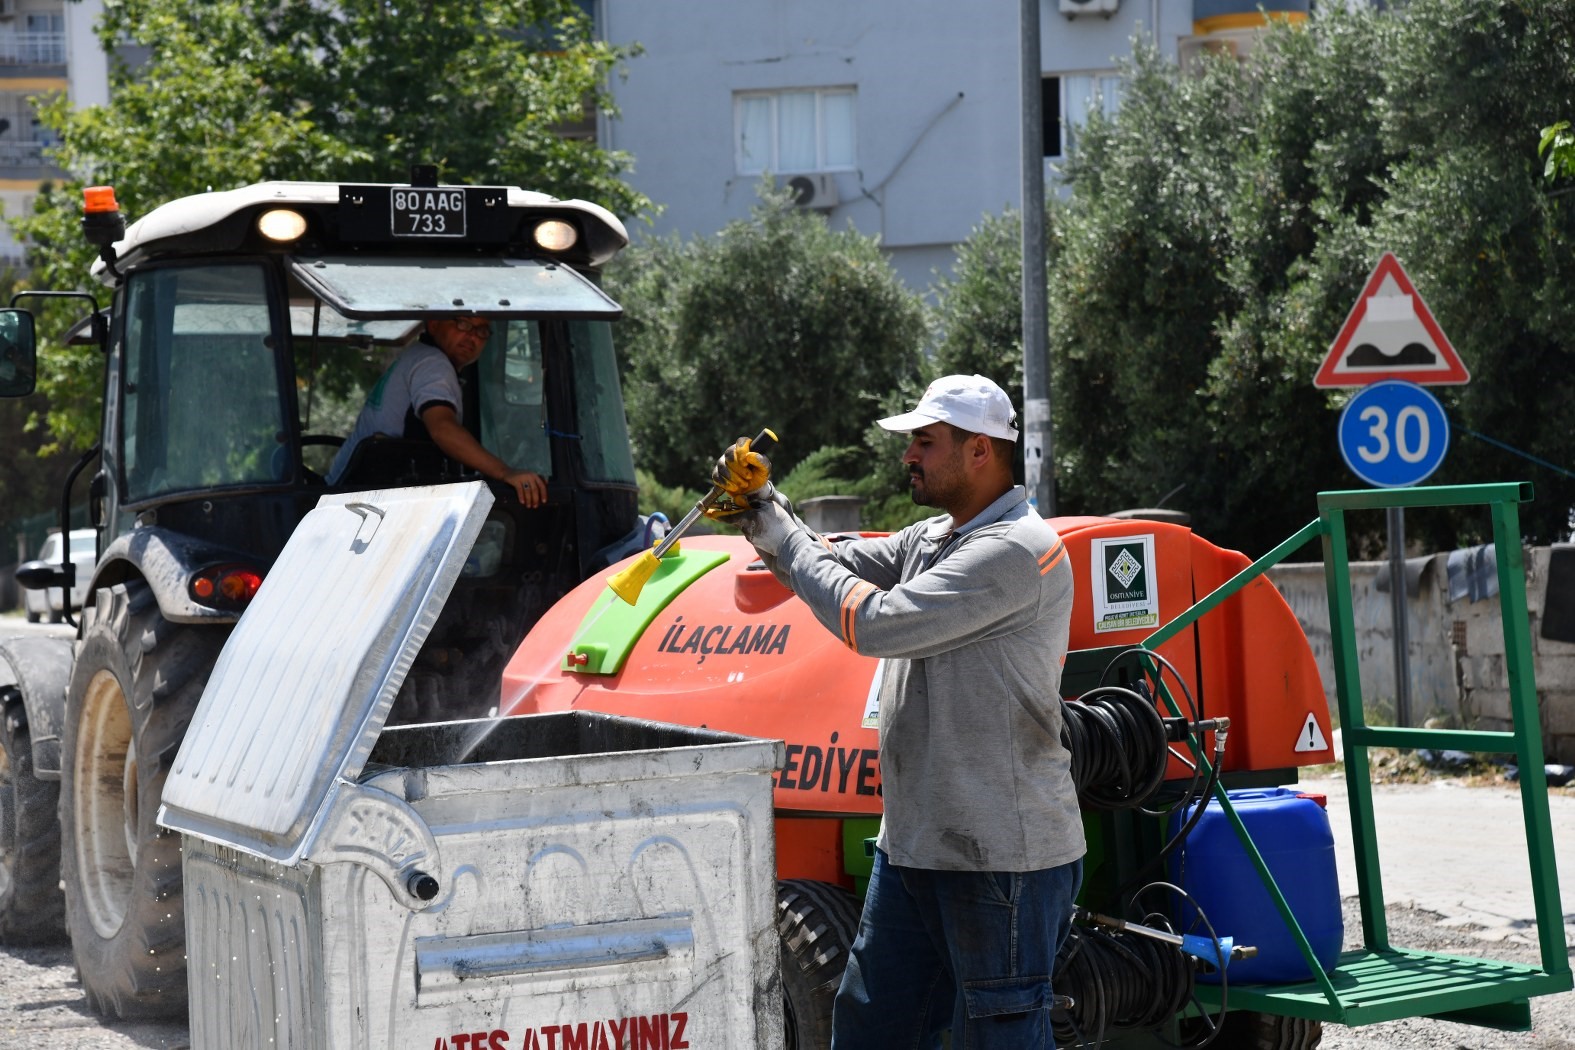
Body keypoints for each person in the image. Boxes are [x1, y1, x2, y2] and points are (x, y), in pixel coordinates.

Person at [716, 374, 1084, 1048]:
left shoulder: (1010, 551)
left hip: (998, 857)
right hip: (916, 845)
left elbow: (872, 621)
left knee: (995, 1038)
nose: (908, 455)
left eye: (924, 441)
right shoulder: (936, 538)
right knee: (870, 1029)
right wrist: (765, 511)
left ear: (979, 450)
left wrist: (779, 530)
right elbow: (830, 564)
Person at [327, 317, 548, 506]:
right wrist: (505, 473)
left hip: (351, 491)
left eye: (481, 330)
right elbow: (442, 429)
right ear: (433, 325)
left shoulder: (417, 356)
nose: (472, 337)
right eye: (463, 324)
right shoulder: (433, 364)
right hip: (363, 500)